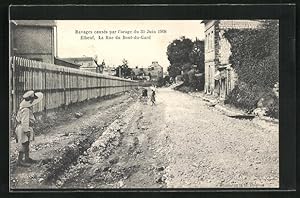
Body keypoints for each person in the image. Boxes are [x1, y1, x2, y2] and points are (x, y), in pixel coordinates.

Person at [15, 90, 43, 167]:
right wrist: (26, 130)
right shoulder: (26, 110)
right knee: (23, 144)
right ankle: (20, 160)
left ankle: (27, 158)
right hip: (23, 128)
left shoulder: (24, 108)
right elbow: (25, 121)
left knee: (26, 143)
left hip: (24, 127)